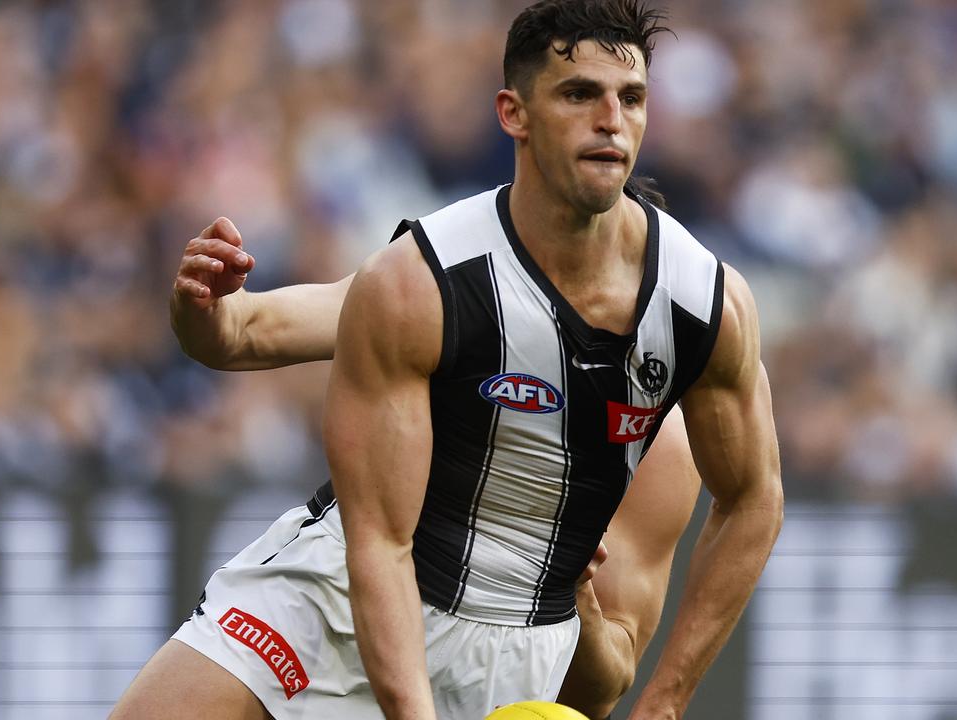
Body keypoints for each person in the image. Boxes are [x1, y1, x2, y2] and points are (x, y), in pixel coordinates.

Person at [112, 1, 782, 719]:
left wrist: (663, 698)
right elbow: (248, 344)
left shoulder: (699, 324)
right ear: (513, 113)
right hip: (336, 600)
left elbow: (609, 674)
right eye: (580, 93)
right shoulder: (429, 280)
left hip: (510, 661)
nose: (611, 120)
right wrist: (200, 314)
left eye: (632, 98)